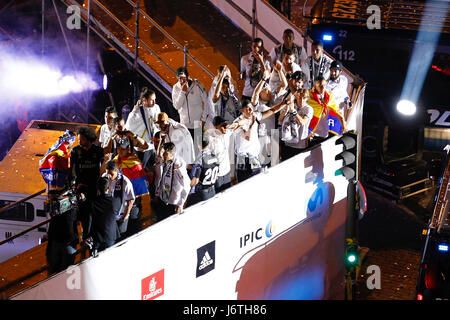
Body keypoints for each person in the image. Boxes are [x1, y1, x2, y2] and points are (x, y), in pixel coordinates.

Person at [232, 98, 289, 182]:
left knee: (257, 181)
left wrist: (286, 102)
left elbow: (272, 110)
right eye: (248, 108)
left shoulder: (255, 115)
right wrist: (251, 123)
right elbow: (247, 137)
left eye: (251, 107)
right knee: (244, 184)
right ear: (241, 110)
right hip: (242, 159)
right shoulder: (237, 122)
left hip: (254, 157)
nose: (251, 110)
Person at [70, 126, 104, 237]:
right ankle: (81, 237)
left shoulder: (98, 151)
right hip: (81, 187)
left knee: (92, 213)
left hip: (94, 188)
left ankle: (90, 236)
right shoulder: (75, 151)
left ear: (89, 139)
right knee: (81, 214)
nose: (79, 142)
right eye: (78, 139)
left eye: (81, 139)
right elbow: (72, 170)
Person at [125, 87, 161, 170]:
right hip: (142, 148)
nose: (154, 102)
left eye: (155, 99)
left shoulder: (157, 107)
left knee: (156, 171)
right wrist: (136, 143)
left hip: (154, 146)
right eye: (152, 100)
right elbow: (128, 129)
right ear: (145, 100)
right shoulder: (136, 112)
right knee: (141, 171)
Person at [154, 142, 191, 221]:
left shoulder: (179, 165)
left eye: (165, 153)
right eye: (162, 152)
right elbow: (159, 179)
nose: (163, 154)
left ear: (172, 154)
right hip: (162, 199)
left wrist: (180, 204)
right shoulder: (164, 161)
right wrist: (157, 193)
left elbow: (187, 186)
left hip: (173, 203)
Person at [307, 76, 346, 146]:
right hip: (310, 133)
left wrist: (344, 127)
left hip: (323, 133)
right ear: (315, 86)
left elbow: (338, 113)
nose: (323, 87)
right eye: (320, 85)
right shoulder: (308, 96)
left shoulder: (329, 98)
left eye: (324, 85)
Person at [45, 190, 78, 275]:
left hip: (59, 242)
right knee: (67, 271)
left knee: (55, 270)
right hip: (67, 242)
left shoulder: (56, 211)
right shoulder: (70, 209)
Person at [171, 66, 209, 138]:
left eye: (183, 78)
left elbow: (207, 103)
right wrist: (182, 92)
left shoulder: (198, 85)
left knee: (198, 148)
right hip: (184, 125)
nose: (181, 81)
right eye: (179, 78)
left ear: (188, 76)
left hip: (198, 123)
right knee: (187, 148)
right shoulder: (176, 88)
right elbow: (176, 106)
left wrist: (203, 119)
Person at [102, 160, 136, 238]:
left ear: (117, 171)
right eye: (108, 173)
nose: (109, 176)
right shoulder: (105, 177)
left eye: (111, 174)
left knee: (120, 238)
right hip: (109, 216)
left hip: (120, 216)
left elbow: (130, 201)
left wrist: (124, 217)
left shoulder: (125, 182)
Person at [279, 88, 314, 160]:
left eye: (304, 98)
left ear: (307, 98)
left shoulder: (308, 109)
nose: (302, 100)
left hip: (300, 145)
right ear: (296, 97)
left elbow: (302, 122)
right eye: (300, 97)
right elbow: (279, 120)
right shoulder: (291, 105)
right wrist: (285, 111)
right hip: (288, 143)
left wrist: (293, 111)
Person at [186, 133, 220, 207]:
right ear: (209, 143)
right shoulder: (215, 157)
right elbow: (216, 176)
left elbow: (195, 181)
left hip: (201, 194)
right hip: (212, 191)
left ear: (198, 145)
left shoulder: (199, 160)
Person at [88, 177, 121, 252]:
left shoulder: (93, 203)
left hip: (97, 238)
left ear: (97, 188)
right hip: (111, 235)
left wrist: (87, 236)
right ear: (109, 188)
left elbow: (89, 221)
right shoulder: (115, 201)